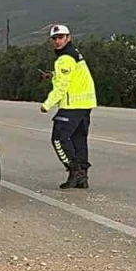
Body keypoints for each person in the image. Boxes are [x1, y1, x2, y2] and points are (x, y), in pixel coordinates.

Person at [40, 24, 97, 189]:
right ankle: (82, 177)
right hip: (85, 104)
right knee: (79, 139)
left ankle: (74, 170)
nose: (57, 41)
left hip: (72, 105)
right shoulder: (75, 54)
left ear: (68, 37)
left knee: (58, 139)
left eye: (61, 37)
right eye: (55, 38)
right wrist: (53, 75)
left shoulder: (64, 59)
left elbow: (62, 87)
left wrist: (47, 104)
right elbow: (72, 76)